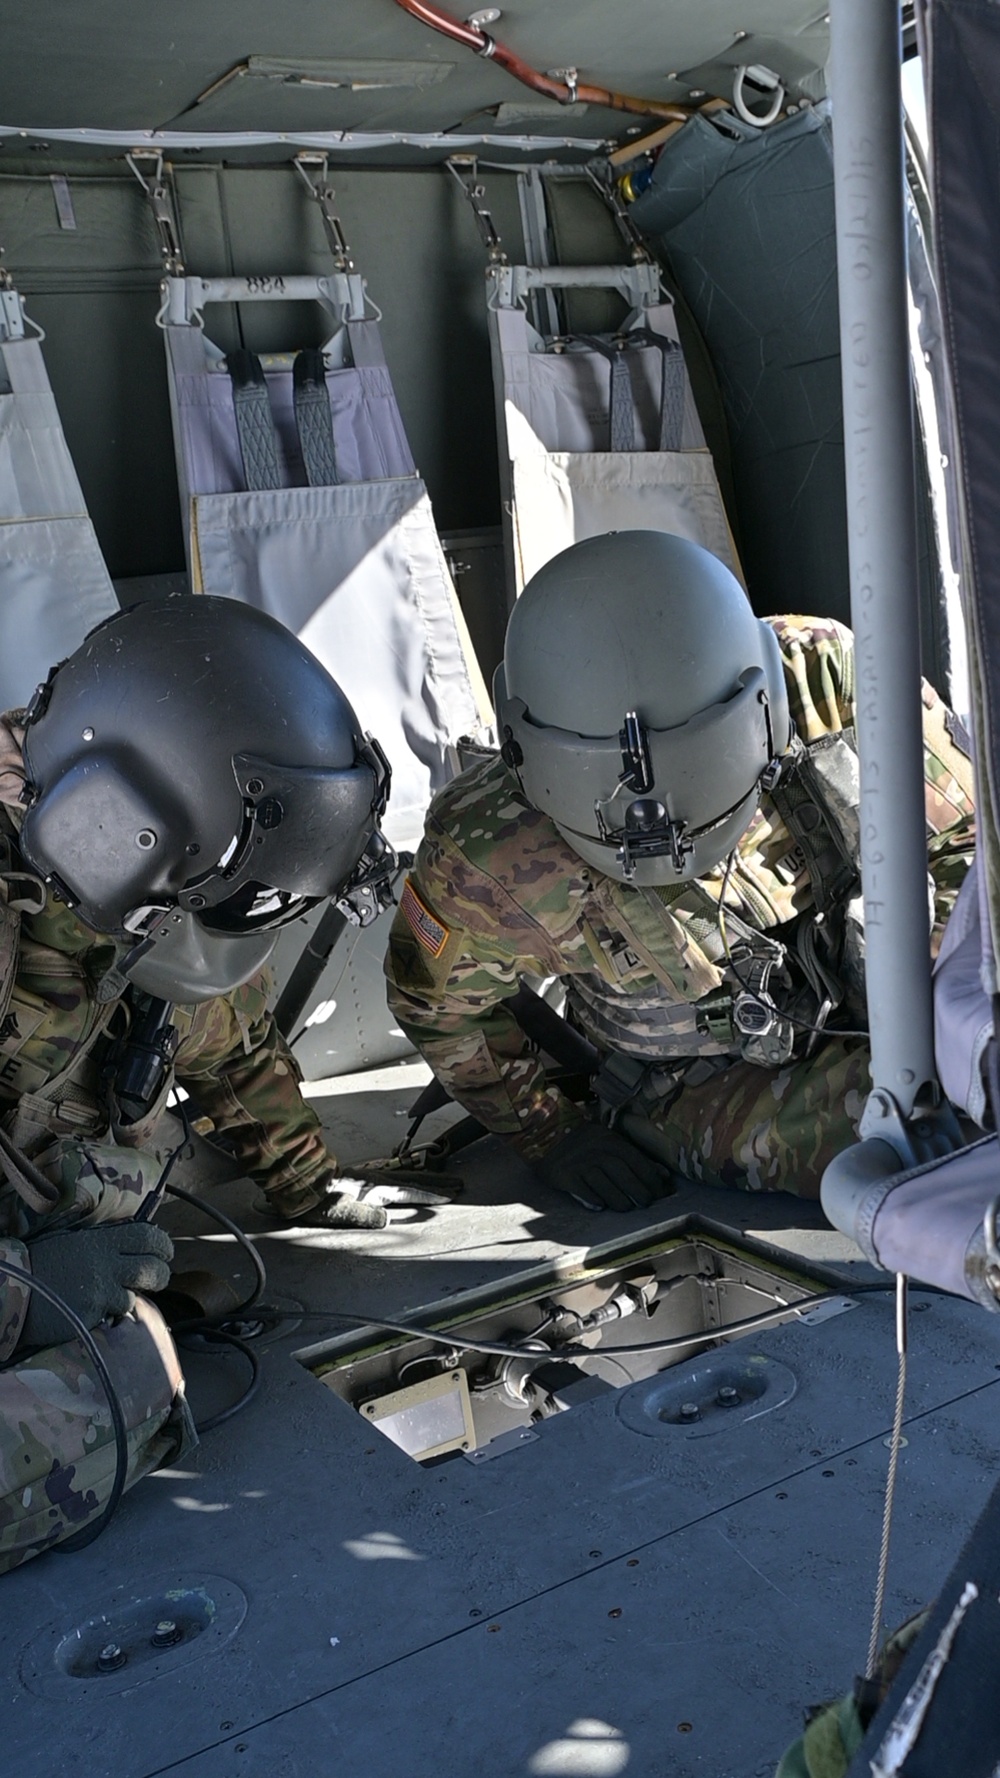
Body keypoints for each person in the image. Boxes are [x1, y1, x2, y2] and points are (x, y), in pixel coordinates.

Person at [385, 530, 975, 1210]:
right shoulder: (489, 854)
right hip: (698, 1083)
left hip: (877, 991)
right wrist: (549, 1134)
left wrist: (939, 1002)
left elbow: (962, 842)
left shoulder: (825, 677)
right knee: (926, 1128)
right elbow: (433, 1004)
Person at [0, 595, 395, 1570]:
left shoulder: (182, 846)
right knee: (108, 1411)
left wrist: (314, 1186)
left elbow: (225, 1035)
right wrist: (21, 1299)